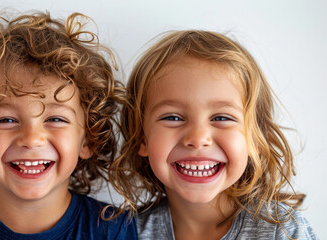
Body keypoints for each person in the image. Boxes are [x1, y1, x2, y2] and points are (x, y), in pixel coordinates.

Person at [0, 11, 136, 240]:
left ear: (87, 139)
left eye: (55, 119)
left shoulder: (114, 230)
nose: (31, 139)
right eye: (6, 120)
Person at [109, 30, 318, 239]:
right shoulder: (127, 232)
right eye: (172, 118)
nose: (198, 138)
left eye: (221, 118)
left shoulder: (282, 231)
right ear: (141, 138)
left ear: (254, 137)